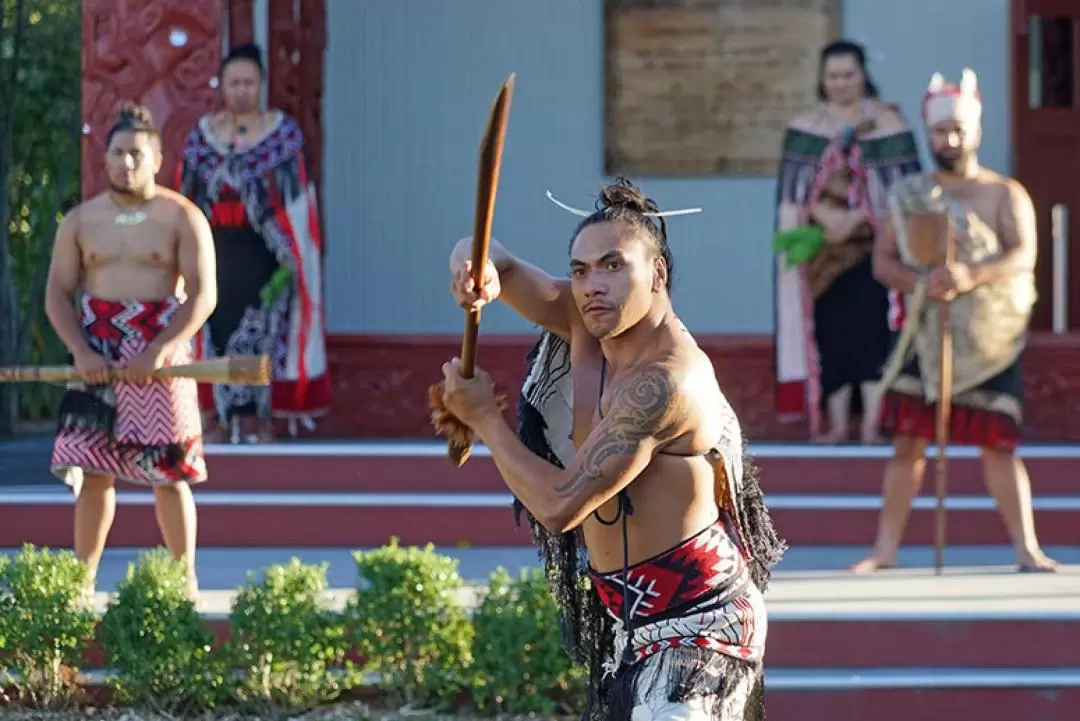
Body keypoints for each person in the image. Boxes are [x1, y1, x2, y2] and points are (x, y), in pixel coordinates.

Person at [434, 179, 786, 721]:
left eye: (613, 266)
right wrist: (472, 266)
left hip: (700, 627)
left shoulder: (665, 383)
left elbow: (558, 507)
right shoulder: (585, 320)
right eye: (580, 270)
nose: (592, 285)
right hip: (633, 625)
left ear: (658, 273)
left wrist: (485, 418)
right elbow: (495, 260)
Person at [851, 68, 1060, 574]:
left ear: (976, 131)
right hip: (925, 332)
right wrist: (926, 282)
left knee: (998, 444)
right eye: (941, 131)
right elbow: (884, 264)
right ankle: (885, 551)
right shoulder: (909, 195)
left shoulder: (1004, 193)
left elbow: (1022, 256)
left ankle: (1026, 550)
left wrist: (969, 275)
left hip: (989, 338)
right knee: (908, 444)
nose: (950, 139)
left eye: (958, 130)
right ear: (929, 134)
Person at [45, 103, 217, 599]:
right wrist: (80, 350)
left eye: (137, 154)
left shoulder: (182, 216)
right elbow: (58, 293)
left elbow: (203, 294)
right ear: (106, 158)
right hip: (96, 351)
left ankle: (184, 582)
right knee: (94, 471)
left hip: (161, 353)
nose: (127, 163)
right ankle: (81, 583)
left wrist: (160, 349)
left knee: (170, 473)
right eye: (118, 153)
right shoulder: (80, 220)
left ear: (157, 158)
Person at [176, 42, 330, 444]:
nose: (241, 90)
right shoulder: (202, 138)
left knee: (265, 332)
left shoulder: (283, 136)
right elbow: (186, 199)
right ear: (222, 86)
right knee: (214, 331)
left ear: (260, 85)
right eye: (234, 83)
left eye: (249, 82)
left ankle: (260, 418)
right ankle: (218, 416)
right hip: (215, 252)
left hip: (266, 254)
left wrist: (291, 258)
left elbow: (298, 204)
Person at [773, 40, 923, 444]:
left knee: (874, 334)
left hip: (876, 251)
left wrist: (859, 216)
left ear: (863, 76)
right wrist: (825, 218)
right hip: (823, 255)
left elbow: (905, 192)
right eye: (833, 76)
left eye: (848, 75)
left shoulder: (891, 125)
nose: (840, 83)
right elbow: (793, 195)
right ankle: (836, 426)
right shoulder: (805, 128)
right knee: (832, 336)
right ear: (823, 80)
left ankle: (874, 425)